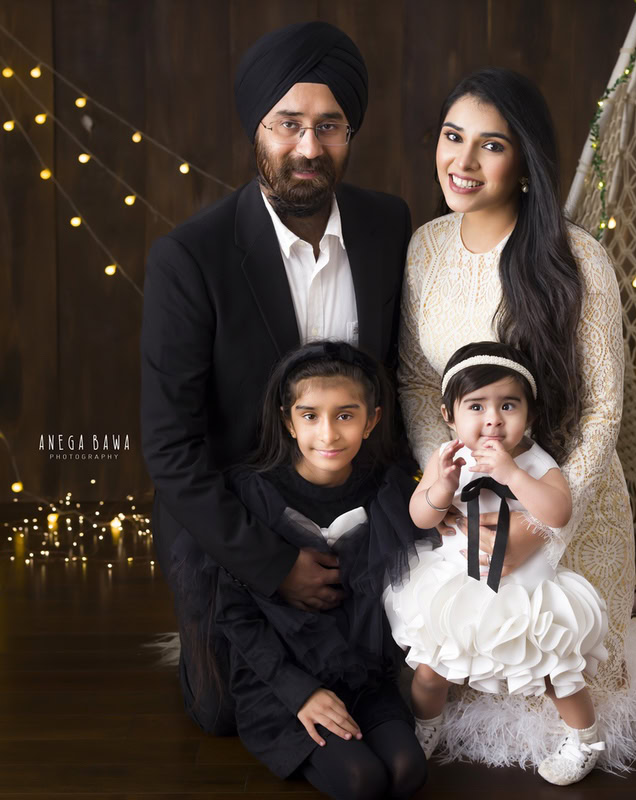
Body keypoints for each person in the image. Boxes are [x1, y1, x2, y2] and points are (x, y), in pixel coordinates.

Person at [396, 68, 636, 772]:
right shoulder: (425, 248)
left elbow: (603, 410)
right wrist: (453, 481)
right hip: (473, 497)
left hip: (565, 498)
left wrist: (537, 527)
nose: (462, 163)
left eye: (490, 146)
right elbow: (415, 381)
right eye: (452, 137)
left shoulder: (577, 259)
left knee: (557, 673)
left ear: (525, 161)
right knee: (448, 661)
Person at [140, 21, 411, 736]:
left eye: (330, 127)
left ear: (351, 133)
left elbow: (401, 388)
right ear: (257, 129)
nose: (308, 148)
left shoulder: (388, 227)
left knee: (412, 676)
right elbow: (171, 452)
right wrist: (273, 563)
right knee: (226, 712)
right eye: (287, 124)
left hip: (360, 506)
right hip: (239, 518)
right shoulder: (189, 259)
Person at [193, 341, 435, 799]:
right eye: (310, 416)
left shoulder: (387, 489)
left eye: (345, 415)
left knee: (408, 771)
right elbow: (235, 616)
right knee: (363, 782)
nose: (328, 434)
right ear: (289, 421)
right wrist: (301, 692)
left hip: (362, 674)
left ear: (372, 420)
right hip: (279, 677)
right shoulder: (252, 495)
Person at [384, 342, 610, 785]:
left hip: (524, 593)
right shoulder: (448, 458)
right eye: (476, 406)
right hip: (457, 591)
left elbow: (558, 513)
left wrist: (512, 475)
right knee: (431, 671)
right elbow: (420, 516)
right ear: (449, 415)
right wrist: (441, 489)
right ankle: (426, 727)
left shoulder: (534, 461)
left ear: (529, 413)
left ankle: (585, 740)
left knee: (555, 674)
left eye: (508, 405)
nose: (492, 419)